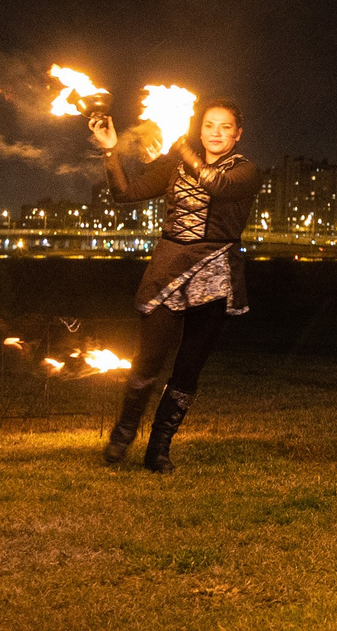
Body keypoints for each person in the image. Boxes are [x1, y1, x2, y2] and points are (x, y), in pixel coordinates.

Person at [88, 99, 263, 472]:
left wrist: (182, 146)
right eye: (209, 125)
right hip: (167, 271)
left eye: (225, 127)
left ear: (237, 134)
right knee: (148, 360)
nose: (215, 133)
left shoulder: (246, 171)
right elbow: (124, 193)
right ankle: (123, 433)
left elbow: (217, 185)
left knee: (187, 368)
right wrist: (110, 150)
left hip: (215, 277)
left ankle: (159, 448)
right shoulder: (175, 164)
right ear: (200, 128)